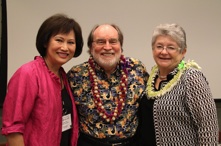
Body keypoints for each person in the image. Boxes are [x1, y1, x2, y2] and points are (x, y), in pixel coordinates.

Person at [1, 13, 83, 146]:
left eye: (71, 42)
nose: (65, 47)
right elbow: (13, 129)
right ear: (45, 42)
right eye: (59, 40)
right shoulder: (28, 74)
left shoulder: (63, 76)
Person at [67, 24, 149, 146]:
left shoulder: (137, 69)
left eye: (113, 41)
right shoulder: (76, 75)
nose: (107, 47)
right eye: (100, 42)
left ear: (120, 45)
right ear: (90, 47)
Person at [139, 23, 219, 145]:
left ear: (183, 52)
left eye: (171, 47)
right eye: (159, 46)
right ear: (153, 49)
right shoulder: (151, 77)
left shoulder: (191, 77)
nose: (164, 52)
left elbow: (208, 128)